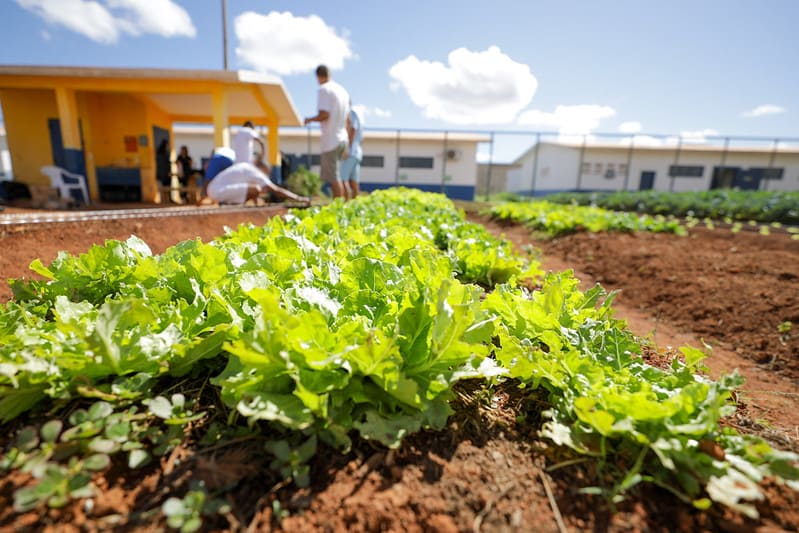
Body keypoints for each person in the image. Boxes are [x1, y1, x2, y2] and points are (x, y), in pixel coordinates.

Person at [303, 65, 351, 200]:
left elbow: (324, 114)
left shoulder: (324, 89)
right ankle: (346, 207)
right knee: (340, 176)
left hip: (331, 140)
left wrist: (309, 119)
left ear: (318, 76)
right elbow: (348, 120)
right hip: (342, 139)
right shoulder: (343, 91)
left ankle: (339, 210)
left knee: (334, 178)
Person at [201, 162, 310, 206]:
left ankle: (229, 203)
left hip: (214, 189)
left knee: (255, 190)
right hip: (217, 191)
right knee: (257, 189)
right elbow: (276, 190)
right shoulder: (256, 172)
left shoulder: (246, 167)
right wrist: (298, 198)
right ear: (263, 170)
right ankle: (230, 204)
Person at [340, 104, 363, 198]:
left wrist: (347, 148)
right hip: (357, 153)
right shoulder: (358, 115)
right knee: (354, 181)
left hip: (351, 152)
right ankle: (355, 205)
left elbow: (353, 129)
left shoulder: (351, 113)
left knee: (341, 179)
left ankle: (346, 206)